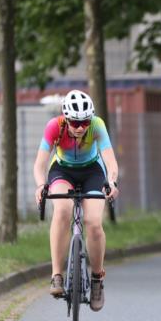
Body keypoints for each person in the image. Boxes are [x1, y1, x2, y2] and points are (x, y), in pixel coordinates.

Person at [33, 90, 120, 309]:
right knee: (62, 210)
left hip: (92, 172)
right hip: (62, 171)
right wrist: (41, 185)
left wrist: (112, 182)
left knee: (93, 223)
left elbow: (110, 161)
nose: (80, 127)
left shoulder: (97, 125)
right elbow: (40, 164)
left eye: (84, 122)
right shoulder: (54, 126)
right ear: (65, 118)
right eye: (75, 122)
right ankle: (56, 275)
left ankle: (97, 279)